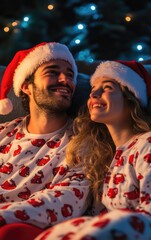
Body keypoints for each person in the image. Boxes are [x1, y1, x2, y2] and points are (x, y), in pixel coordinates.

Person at [35, 60, 151, 240]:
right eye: (93, 88)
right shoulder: (104, 159)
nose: (94, 92)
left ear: (132, 98)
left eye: (107, 87)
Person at [0, 42, 90, 239]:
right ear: (26, 87)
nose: (65, 80)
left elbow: (68, 200)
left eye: (70, 74)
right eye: (52, 71)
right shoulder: (3, 134)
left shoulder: (84, 140)